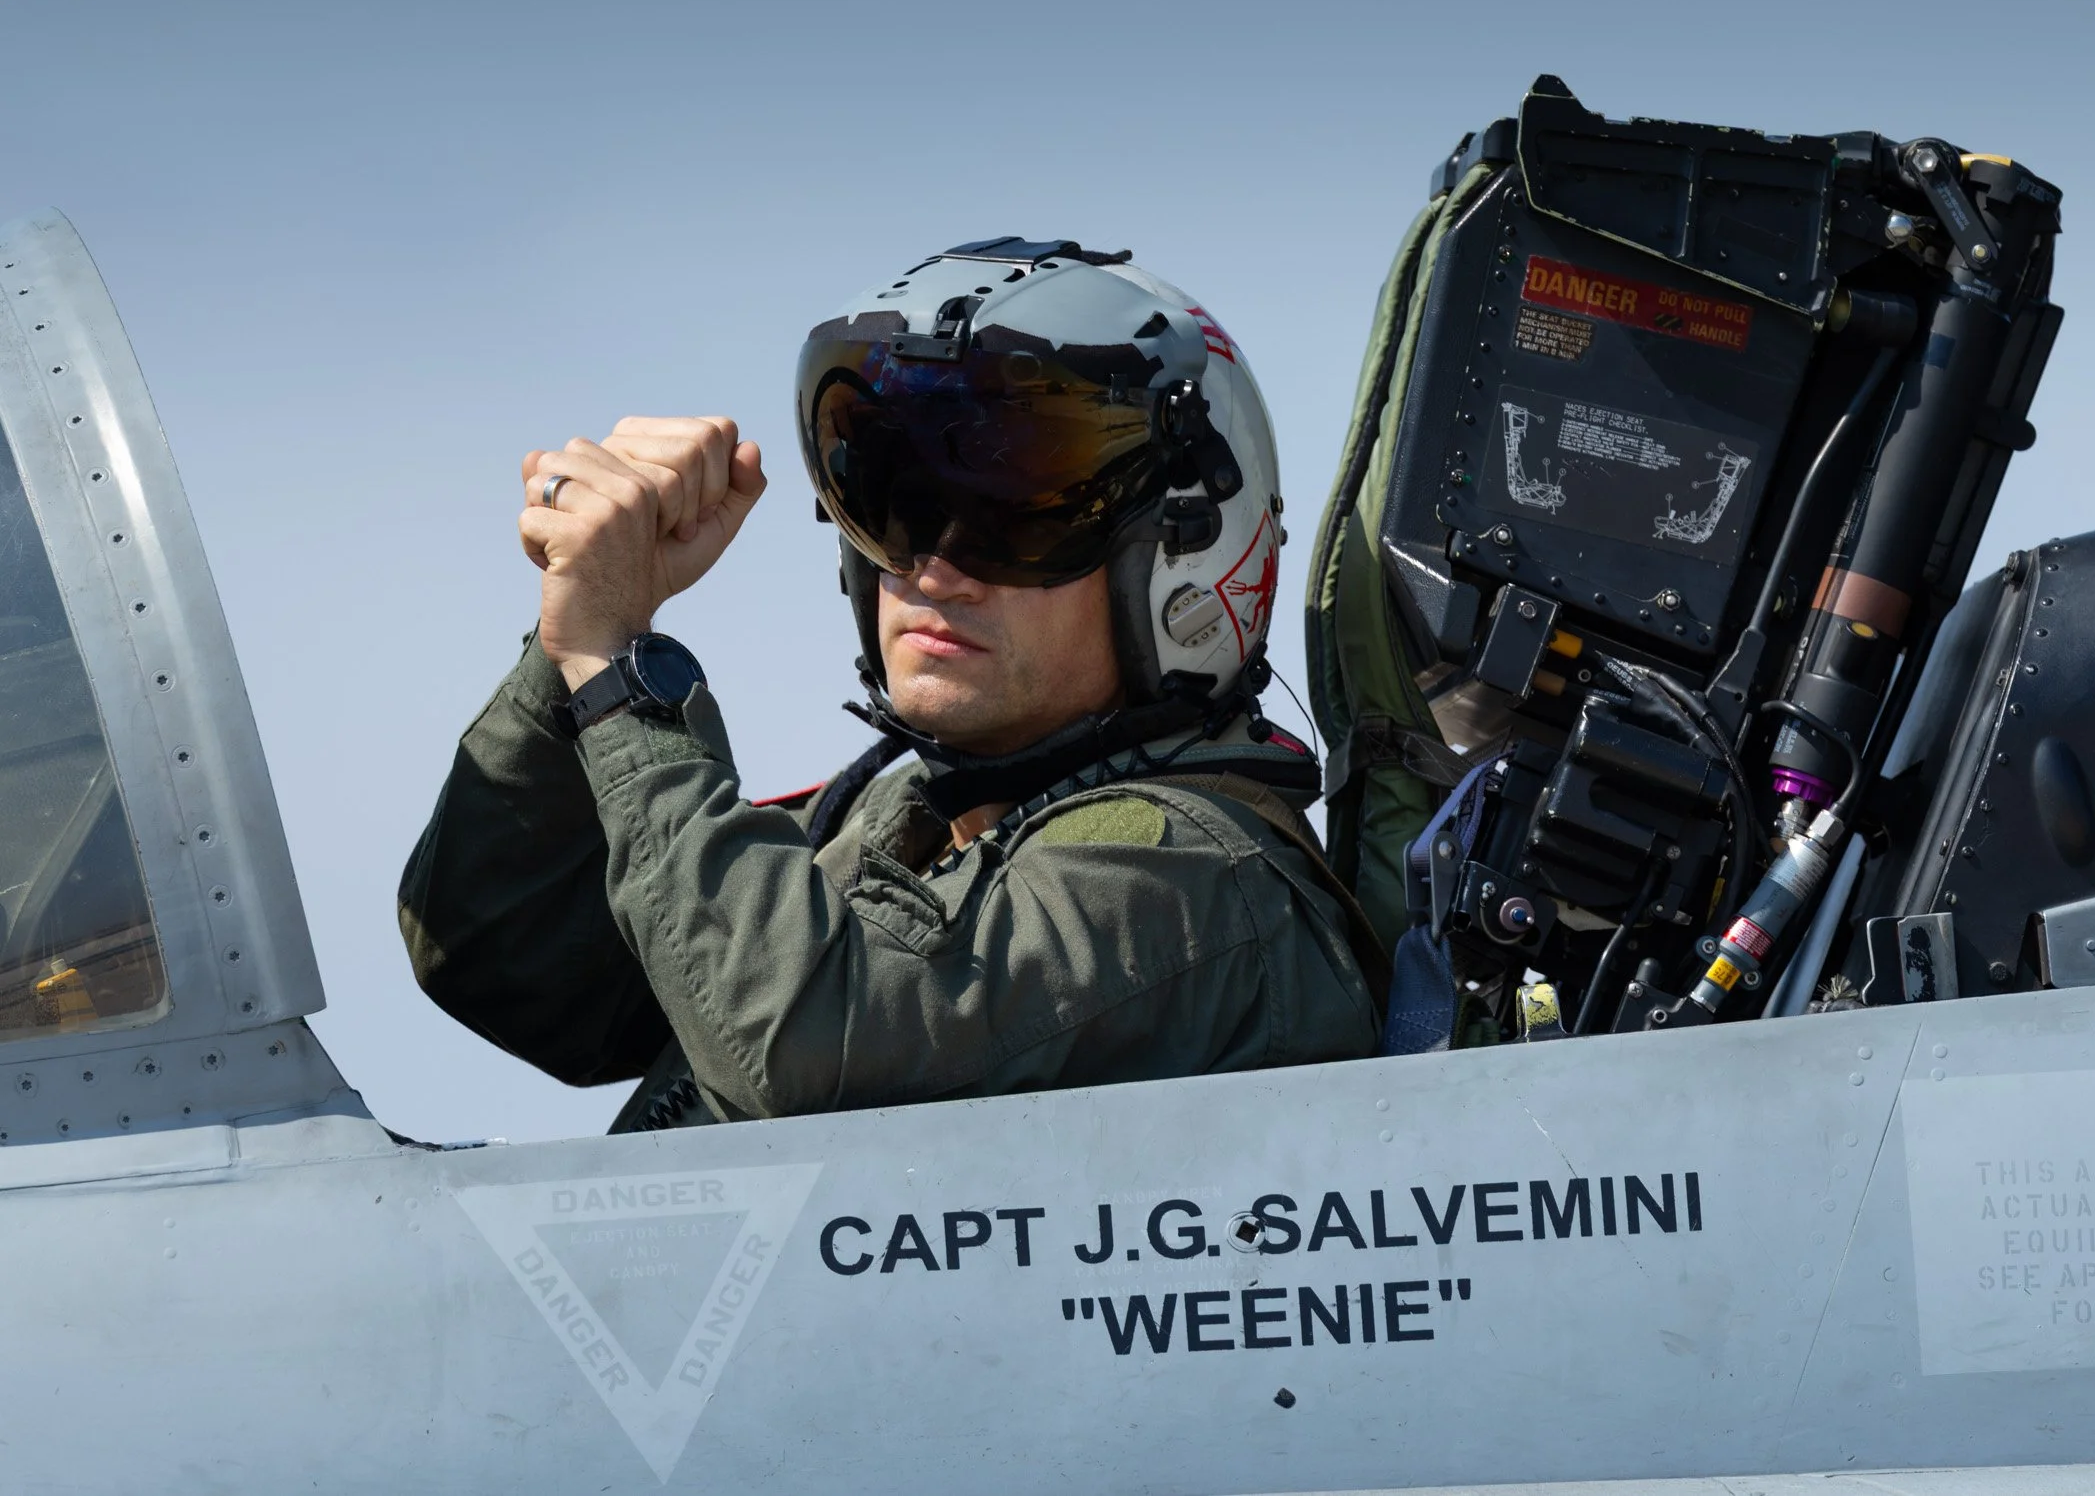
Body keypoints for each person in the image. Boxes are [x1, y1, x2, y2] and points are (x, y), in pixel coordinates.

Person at [398, 238, 1384, 1128]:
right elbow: (504, 954)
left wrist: (611, 675)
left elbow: (805, 1047)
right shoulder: (895, 831)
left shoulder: (1195, 877)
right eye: (894, 505)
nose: (929, 569)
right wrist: (573, 642)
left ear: (1177, 558)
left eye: (1017, 518)